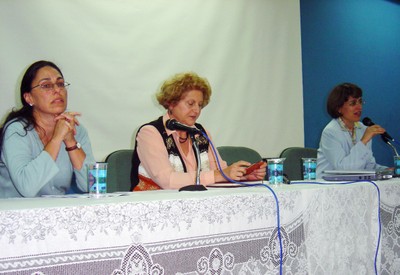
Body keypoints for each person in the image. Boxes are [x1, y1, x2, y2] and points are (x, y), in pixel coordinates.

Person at [131, 72, 266, 190]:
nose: (196, 110)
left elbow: (219, 172)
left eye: (200, 105)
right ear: (171, 103)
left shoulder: (201, 132)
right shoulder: (150, 133)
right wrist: (221, 174)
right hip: (156, 208)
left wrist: (244, 176)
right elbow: (167, 181)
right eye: (190, 104)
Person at [0, 60, 95, 198]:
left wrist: (70, 142)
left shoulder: (76, 130)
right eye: (46, 86)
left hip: (55, 214)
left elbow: (91, 186)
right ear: (29, 98)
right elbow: (27, 188)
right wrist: (57, 139)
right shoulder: (16, 131)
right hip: (13, 216)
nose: (57, 90)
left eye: (60, 84)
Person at [316, 83, 387, 178]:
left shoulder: (362, 129)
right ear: (339, 108)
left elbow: (368, 166)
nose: (359, 107)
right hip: (328, 187)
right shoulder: (330, 132)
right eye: (353, 103)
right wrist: (363, 141)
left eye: (360, 101)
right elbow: (343, 169)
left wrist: (385, 170)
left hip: (354, 184)